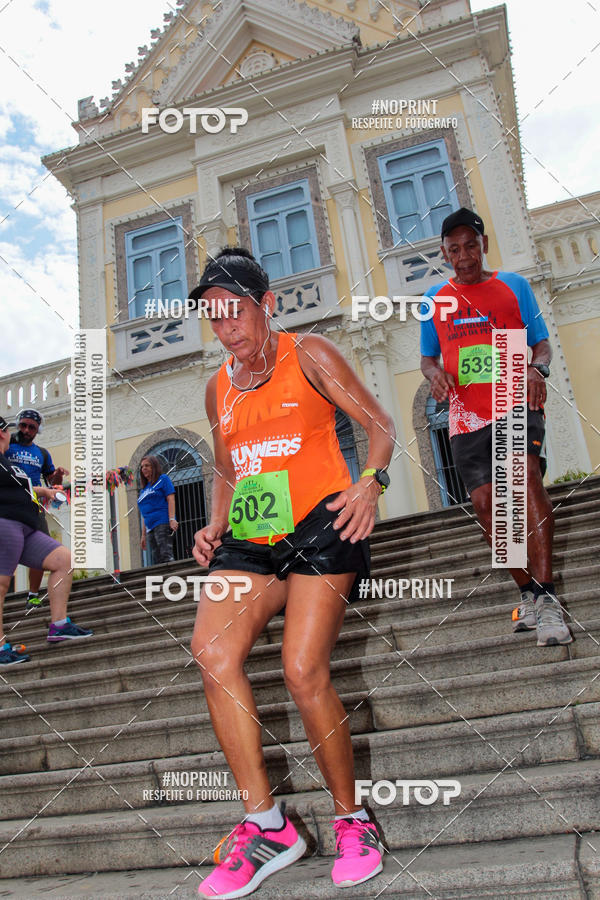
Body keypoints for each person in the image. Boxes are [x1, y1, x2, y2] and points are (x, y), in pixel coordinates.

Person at [189, 247, 395, 898]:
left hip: (323, 522)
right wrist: (215, 521)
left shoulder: (310, 354)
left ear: (266, 306)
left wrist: (370, 482)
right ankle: (268, 825)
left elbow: (380, 425)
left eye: (236, 313)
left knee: (303, 669)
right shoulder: (217, 385)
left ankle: (351, 819)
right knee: (211, 651)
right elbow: (226, 464)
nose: (227, 329)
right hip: (253, 536)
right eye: (215, 319)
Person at [420, 207, 571, 647]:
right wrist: (434, 375)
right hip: (466, 411)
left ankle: (547, 598)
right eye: (454, 249)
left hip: (513, 396)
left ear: (483, 244)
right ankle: (527, 593)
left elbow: (539, 342)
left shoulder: (513, 286)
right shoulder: (436, 300)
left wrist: (536, 371)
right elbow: (428, 356)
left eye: (470, 245)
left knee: (523, 484)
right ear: (444, 254)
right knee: (488, 506)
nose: (464, 255)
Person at [0, 415, 92, 666]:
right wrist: (44, 490)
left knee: (63, 559)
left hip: (27, 525)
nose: (22, 431)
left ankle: (59, 624)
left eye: (32, 426)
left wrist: (50, 489)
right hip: (4, 522)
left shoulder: (13, 462)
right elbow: (19, 486)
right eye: (14, 429)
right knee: (1, 584)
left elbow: (26, 485)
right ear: (3, 433)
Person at [4, 409, 69, 609]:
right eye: (22, 425)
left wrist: (57, 474)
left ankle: (32, 595)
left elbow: (52, 481)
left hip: (33, 504)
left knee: (43, 549)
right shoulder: (7, 445)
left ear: (37, 430)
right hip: (7, 502)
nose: (26, 430)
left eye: (31, 427)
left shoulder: (41, 453)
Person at [138, 455, 178, 564]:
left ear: (154, 467)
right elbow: (143, 514)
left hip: (162, 521)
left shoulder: (163, 479)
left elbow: (171, 499)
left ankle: (172, 578)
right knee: (157, 559)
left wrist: (172, 519)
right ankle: (164, 580)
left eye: (147, 465)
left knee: (166, 555)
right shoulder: (143, 490)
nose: (144, 468)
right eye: (142, 467)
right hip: (149, 527)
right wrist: (143, 535)